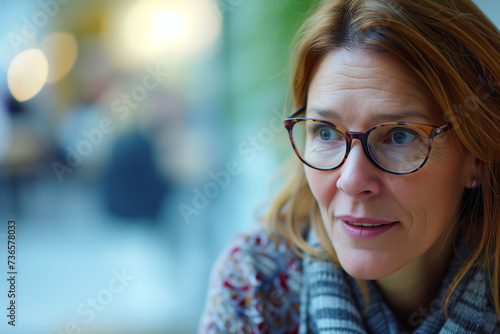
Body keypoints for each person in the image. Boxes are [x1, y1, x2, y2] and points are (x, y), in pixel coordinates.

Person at [199, 0, 500, 332]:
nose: (352, 180)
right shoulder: (254, 288)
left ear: (478, 154)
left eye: (399, 136)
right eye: (325, 132)